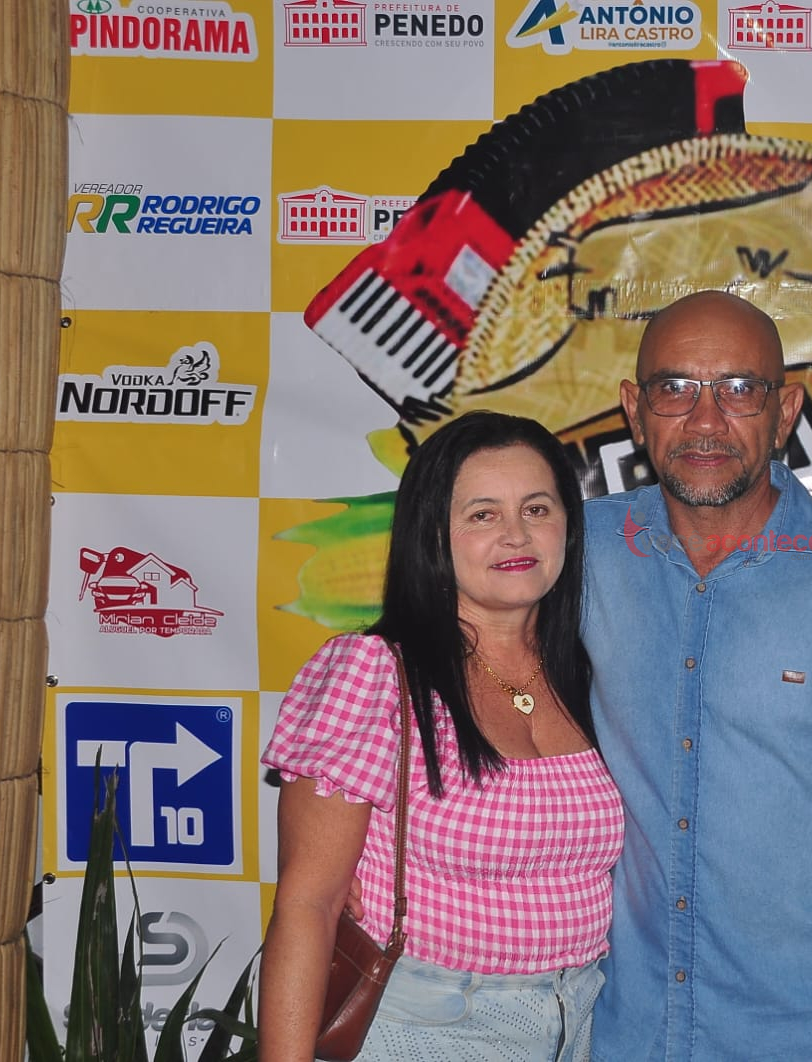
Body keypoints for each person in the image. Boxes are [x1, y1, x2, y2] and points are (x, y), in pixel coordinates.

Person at [582, 290, 812, 1061]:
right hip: (622, 1037)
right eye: (675, 388)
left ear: (784, 412)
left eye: (739, 390)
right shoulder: (575, 553)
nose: (706, 420)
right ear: (635, 410)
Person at [258, 411, 624, 1062]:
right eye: (483, 514)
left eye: (537, 508)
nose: (516, 534)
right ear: (432, 534)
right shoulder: (375, 674)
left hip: (579, 1023)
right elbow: (308, 905)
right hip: (422, 1027)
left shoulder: (595, 673)